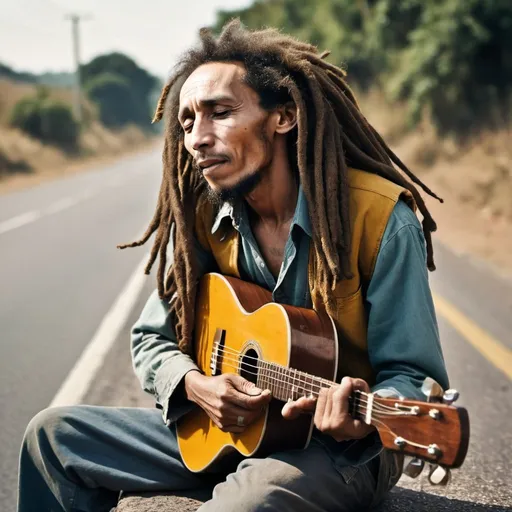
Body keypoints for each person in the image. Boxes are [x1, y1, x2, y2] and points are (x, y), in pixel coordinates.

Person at [17, 20, 449, 512]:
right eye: (186, 123)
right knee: (52, 436)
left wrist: (363, 411)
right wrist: (196, 386)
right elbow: (151, 338)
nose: (197, 138)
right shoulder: (201, 215)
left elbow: (412, 374)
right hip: (226, 431)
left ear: (283, 117)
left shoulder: (379, 219)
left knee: (245, 502)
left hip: (339, 450)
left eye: (219, 113)